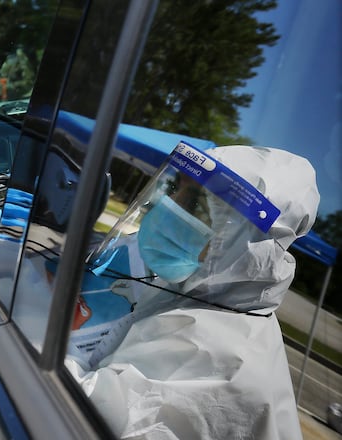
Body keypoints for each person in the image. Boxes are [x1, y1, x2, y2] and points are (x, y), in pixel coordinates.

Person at [65, 143, 318, 439]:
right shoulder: (202, 295)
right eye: (178, 188)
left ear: (244, 241)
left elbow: (87, 417)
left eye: (197, 203)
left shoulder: (226, 359)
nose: (170, 205)